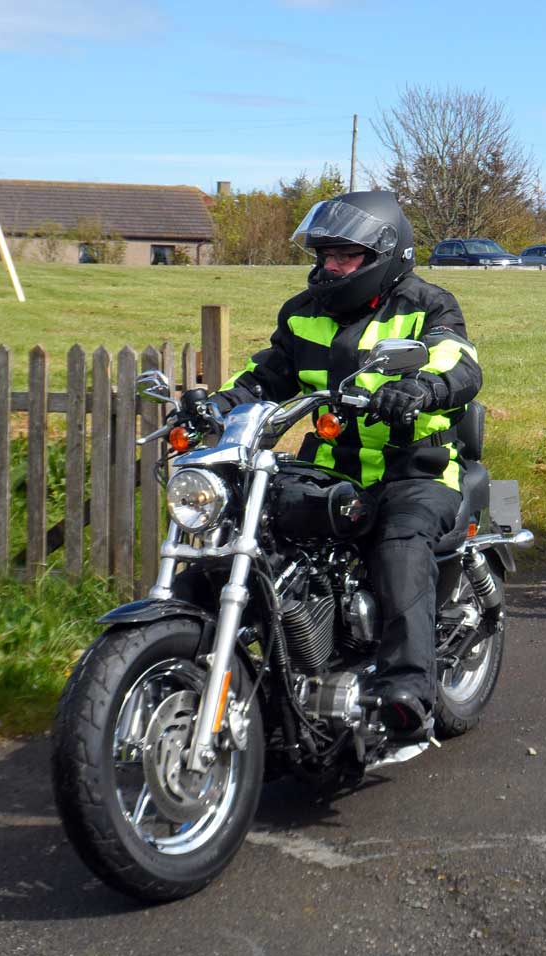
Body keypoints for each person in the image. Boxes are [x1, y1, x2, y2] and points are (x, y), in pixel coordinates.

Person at [193, 191, 482, 738]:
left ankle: (408, 689)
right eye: (325, 255)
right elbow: (266, 375)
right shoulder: (304, 312)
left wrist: (421, 388)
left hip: (413, 469)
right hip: (329, 470)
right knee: (255, 537)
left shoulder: (428, 305)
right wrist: (216, 404)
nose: (330, 267)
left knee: (399, 547)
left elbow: (459, 363)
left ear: (385, 255)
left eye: (344, 257)